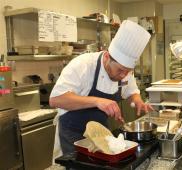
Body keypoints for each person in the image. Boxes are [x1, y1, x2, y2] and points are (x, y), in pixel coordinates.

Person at [49, 20, 153, 154]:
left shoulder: (125, 71)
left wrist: (137, 101)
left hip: (100, 133)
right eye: (120, 70)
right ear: (107, 56)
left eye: (127, 71)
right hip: (73, 134)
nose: (124, 75)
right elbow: (56, 99)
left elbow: (131, 92)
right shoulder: (83, 65)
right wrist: (97, 101)